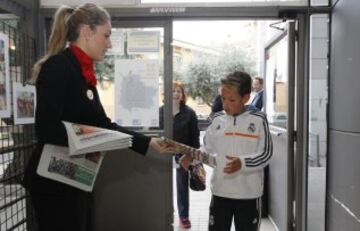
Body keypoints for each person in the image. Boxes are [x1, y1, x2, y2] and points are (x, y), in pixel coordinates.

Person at [22, 4, 170, 231]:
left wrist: (148, 142)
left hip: (75, 177)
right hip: (53, 184)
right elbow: (47, 128)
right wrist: (96, 137)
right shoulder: (59, 66)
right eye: (106, 35)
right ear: (87, 31)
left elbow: (102, 123)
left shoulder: (83, 73)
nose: (109, 44)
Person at [180, 71, 272, 231]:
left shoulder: (258, 119)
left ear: (245, 98)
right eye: (223, 98)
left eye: (232, 100)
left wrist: (242, 163)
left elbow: (266, 153)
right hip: (220, 193)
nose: (225, 104)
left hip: (249, 196)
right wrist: (192, 157)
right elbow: (207, 149)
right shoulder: (217, 119)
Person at [159, 82, 200, 229]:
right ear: (166, 95)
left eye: (179, 91)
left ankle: (184, 216)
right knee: (162, 185)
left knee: (182, 185)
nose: (176, 94)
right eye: (173, 91)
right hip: (163, 153)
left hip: (182, 155)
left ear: (183, 95)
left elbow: (195, 136)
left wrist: (192, 155)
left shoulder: (189, 113)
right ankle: (165, 212)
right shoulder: (160, 111)